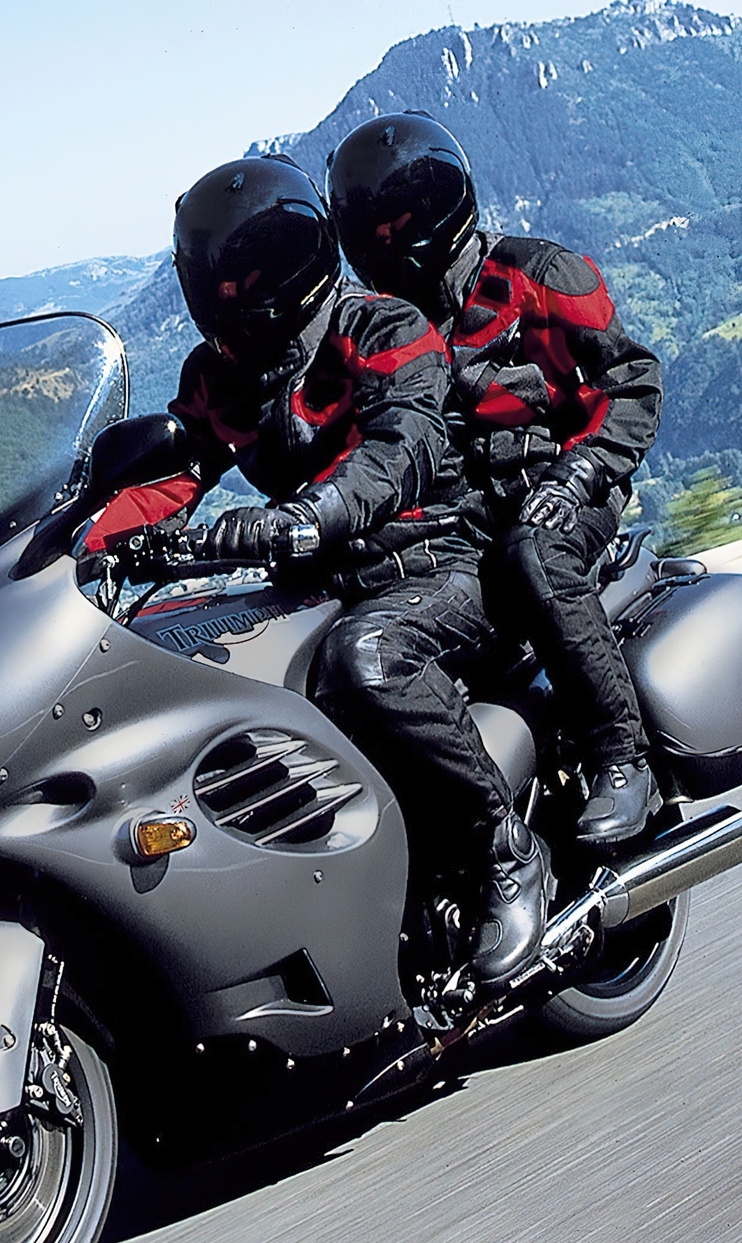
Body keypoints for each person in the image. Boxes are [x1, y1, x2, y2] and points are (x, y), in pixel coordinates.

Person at [145, 153, 549, 987]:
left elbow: (397, 452)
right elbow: (166, 477)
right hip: (321, 580)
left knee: (366, 658)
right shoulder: (219, 375)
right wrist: (68, 545)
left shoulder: (382, 328)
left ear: (295, 263)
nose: (233, 293)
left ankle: (506, 851)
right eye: (219, 280)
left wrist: (306, 518)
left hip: (440, 559)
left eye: (249, 275)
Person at [327, 112, 666, 847]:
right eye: (371, 229)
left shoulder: (538, 275)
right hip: (465, 519)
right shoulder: (381, 326)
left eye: (400, 222)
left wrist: (578, 474)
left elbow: (633, 382)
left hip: (567, 491)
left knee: (533, 553)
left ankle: (622, 756)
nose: (387, 239)